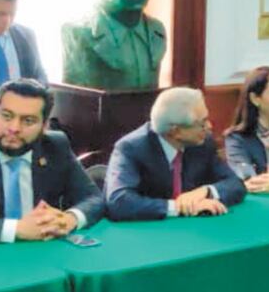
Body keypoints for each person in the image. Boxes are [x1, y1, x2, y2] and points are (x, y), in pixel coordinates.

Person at [0, 79, 103, 243]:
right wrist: (16, 229)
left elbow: (94, 198)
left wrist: (69, 219)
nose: (14, 128)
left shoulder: (55, 145)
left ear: (44, 125)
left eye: (28, 120)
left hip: (45, 252)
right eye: (7, 116)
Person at [105, 87, 245, 220]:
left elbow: (236, 184)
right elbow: (119, 202)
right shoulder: (131, 148)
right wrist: (177, 207)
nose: (209, 127)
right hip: (149, 234)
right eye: (202, 123)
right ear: (175, 131)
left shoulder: (203, 143)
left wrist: (205, 191)